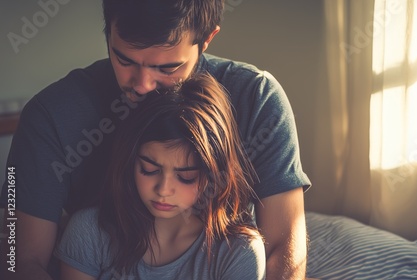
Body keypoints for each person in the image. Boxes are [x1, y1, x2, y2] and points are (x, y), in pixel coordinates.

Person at [0, 1, 311, 279]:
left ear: (206, 39)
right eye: (125, 60)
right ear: (108, 33)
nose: (144, 85)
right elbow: (17, 257)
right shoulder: (48, 116)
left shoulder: (257, 99)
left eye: (167, 67)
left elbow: (284, 246)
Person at [54, 73, 266, 280]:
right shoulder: (90, 231)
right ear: (130, 162)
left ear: (213, 173)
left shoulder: (237, 251)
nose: (163, 189)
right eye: (149, 169)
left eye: (186, 176)